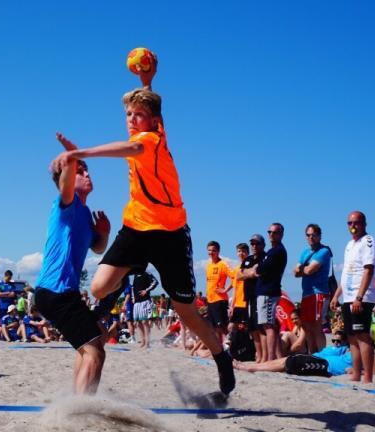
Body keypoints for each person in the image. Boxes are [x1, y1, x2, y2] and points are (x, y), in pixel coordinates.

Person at [51, 74, 235, 394]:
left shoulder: (150, 140)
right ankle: (128, 279)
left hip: (170, 235)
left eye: (138, 115)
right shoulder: (147, 125)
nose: (132, 119)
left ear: (153, 121)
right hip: (136, 226)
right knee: (98, 286)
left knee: (187, 313)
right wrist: (146, 82)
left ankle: (222, 359)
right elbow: (149, 109)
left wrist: (82, 154)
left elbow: (132, 144)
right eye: (128, 114)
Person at [35, 142, 110, 394]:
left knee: (95, 341)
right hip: (55, 291)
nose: (87, 175)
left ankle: (75, 401)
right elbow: (65, 183)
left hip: (64, 293)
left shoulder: (85, 213)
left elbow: (97, 248)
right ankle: (79, 409)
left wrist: (104, 234)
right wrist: (72, 156)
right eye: (81, 171)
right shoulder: (65, 203)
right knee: (94, 352)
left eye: (87, 171)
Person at [330, 211, 375, 383]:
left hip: (362, 296)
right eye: (350, 223)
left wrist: (359, 297)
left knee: (362, 336)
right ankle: (357, 373)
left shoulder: (368, 242)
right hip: (348, 296)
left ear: (364, 223)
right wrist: (337, 295)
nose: (353, 226)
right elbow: (345, 273)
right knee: (351, 337)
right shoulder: (350, 244)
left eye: (356, 222)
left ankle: (367, 376)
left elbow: (368, 269)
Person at [233, 330, 352, 377]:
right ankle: (251, 366)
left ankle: (251, 368)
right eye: (334, 340)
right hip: (316, 359)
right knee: (286, 360)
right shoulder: (345, 351)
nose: (336, 343)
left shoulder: (357, 358)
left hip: (324, 366)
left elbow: (364, 370)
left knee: (289, 362)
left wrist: (355, 370)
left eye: (338, 341)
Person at [293, 224, 332, 354]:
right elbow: (295, 272)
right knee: (307, 326)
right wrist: (304, 269)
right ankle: (312, 353)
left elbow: (309, 270)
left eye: (313, 235)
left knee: (316, 325)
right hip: (307, 293)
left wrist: (303, 269)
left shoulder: (324, 251)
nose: (310, 237)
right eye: (308, 235)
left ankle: (322, 355)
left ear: (319, 236)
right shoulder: (305, 252)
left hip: (319, 292)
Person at [253, 223, 288, 361]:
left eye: (275, 232)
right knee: (268, 325)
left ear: (281, 234)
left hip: (269, 292)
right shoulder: (273, 251)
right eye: (270, 232)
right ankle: (275, 357)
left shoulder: (277, 251)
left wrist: (256, 269)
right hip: (266, 291)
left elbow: (260, 269)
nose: (271, 235)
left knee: (268, 326)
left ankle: (271, 358)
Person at [205, 241, 232, 344]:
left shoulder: (223, 264)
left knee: (222, 327)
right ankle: (219, 349)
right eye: (209, 250)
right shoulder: (208, 265)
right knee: (214, 328)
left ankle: (229, 348)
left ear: (218, 251)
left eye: (214, 250)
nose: (211, 252)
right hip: (210, 300)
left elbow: (234, 278)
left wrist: (225, 290)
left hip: (220, 300)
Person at [132, 270, 158, 348]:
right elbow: (133, 287)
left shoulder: (146, 272)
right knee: (138, 323)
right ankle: (143, 341)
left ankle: (147, 342)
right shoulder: (135, 274)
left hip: (145, 301)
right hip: (136, 302)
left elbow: (155, 282)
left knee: (144, 322)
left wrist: (146, 290)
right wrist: (133, 297)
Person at [228, 243, 250, 328]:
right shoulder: (236, 269)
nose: (241, 253)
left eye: (243, 251)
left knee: (247, 328)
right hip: (237, 304)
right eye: (239, 251)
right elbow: (235, 289)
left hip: (247, 303)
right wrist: (232, 306)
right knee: (231, 327)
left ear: (248, 253)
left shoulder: (250, 267)